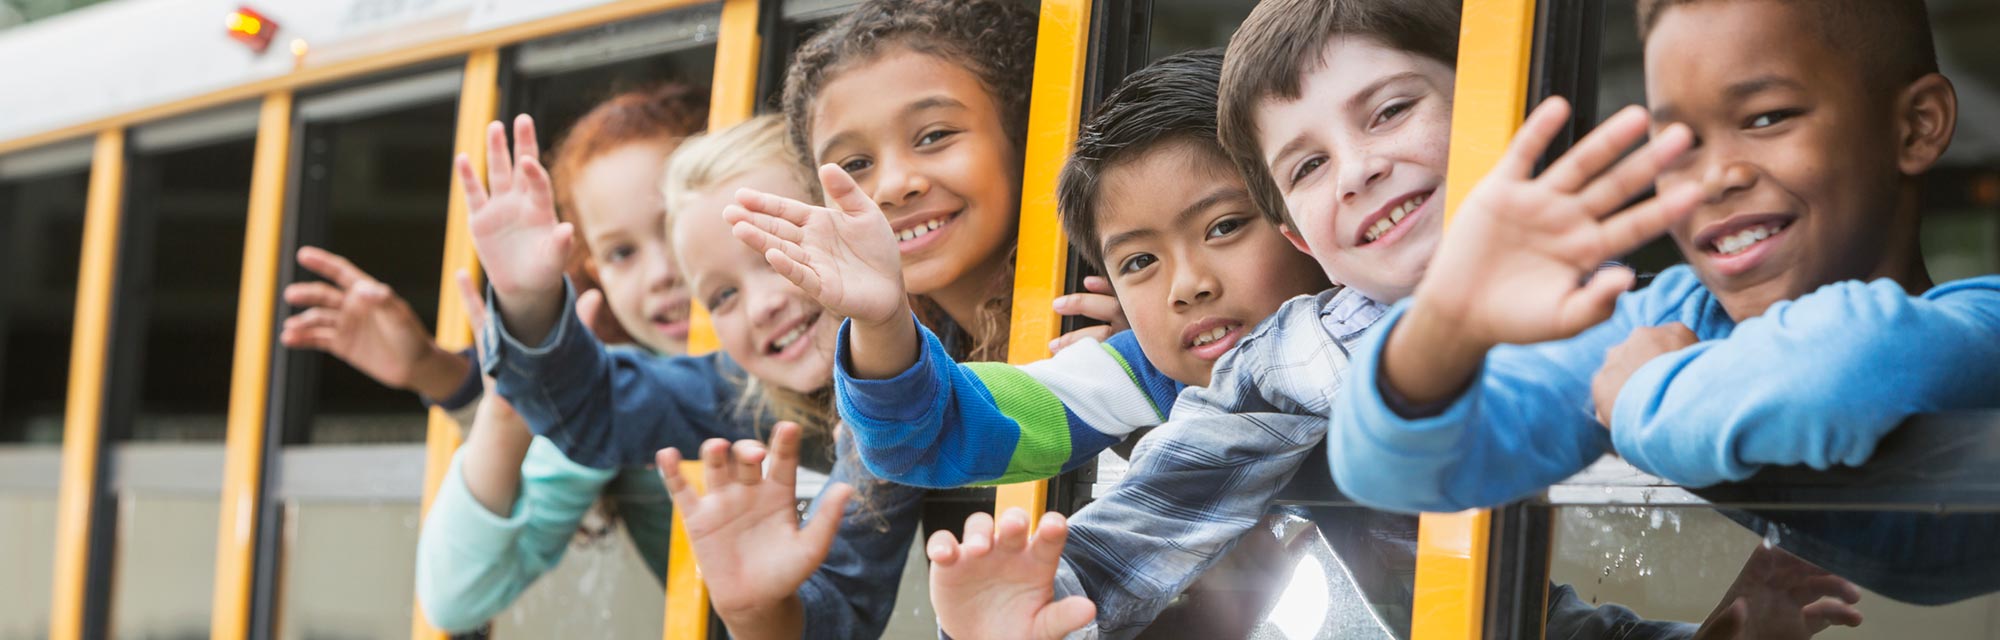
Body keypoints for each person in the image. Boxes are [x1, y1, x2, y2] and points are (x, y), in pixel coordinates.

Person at [1329, 0, 2000, 604]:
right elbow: (1393, 473)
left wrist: (1641, 393)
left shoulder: (1980, 322)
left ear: (1917, 126)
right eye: (1675, 145)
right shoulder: (1663, 316)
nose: (1713, 179)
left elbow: (1835, 366)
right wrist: (1447, 322)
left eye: (1767, 118)